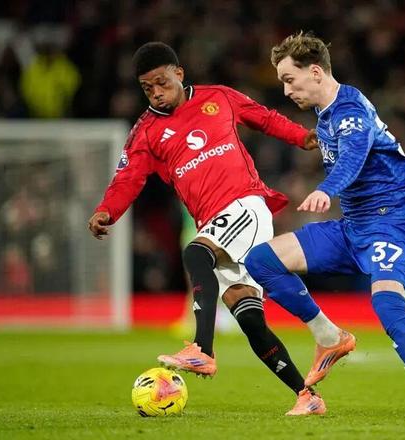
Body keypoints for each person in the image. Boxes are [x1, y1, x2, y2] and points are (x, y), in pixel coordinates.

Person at [88, 42, 325, 415]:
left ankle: (202, 349)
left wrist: (301, 136)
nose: (156, 92)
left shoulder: (219, 97)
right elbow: (128, 177)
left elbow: (263, 118)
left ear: (179, 74)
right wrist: (107, 210)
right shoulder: (146, 132)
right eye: (147, 88)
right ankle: (307, 397)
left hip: (245, 204)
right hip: (215, 222)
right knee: (249, 318)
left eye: (162, 82)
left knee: (196, 253)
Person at [244, 32, 405, 418]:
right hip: (352, 227)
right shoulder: (325, 115)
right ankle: (329, 336)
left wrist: (326, 189)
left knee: (387, 307)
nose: (286, 90)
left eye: (289, 79)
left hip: (390, 225)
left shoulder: (350, 109)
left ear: (315, 72)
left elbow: (354, 156)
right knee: (261, 260)